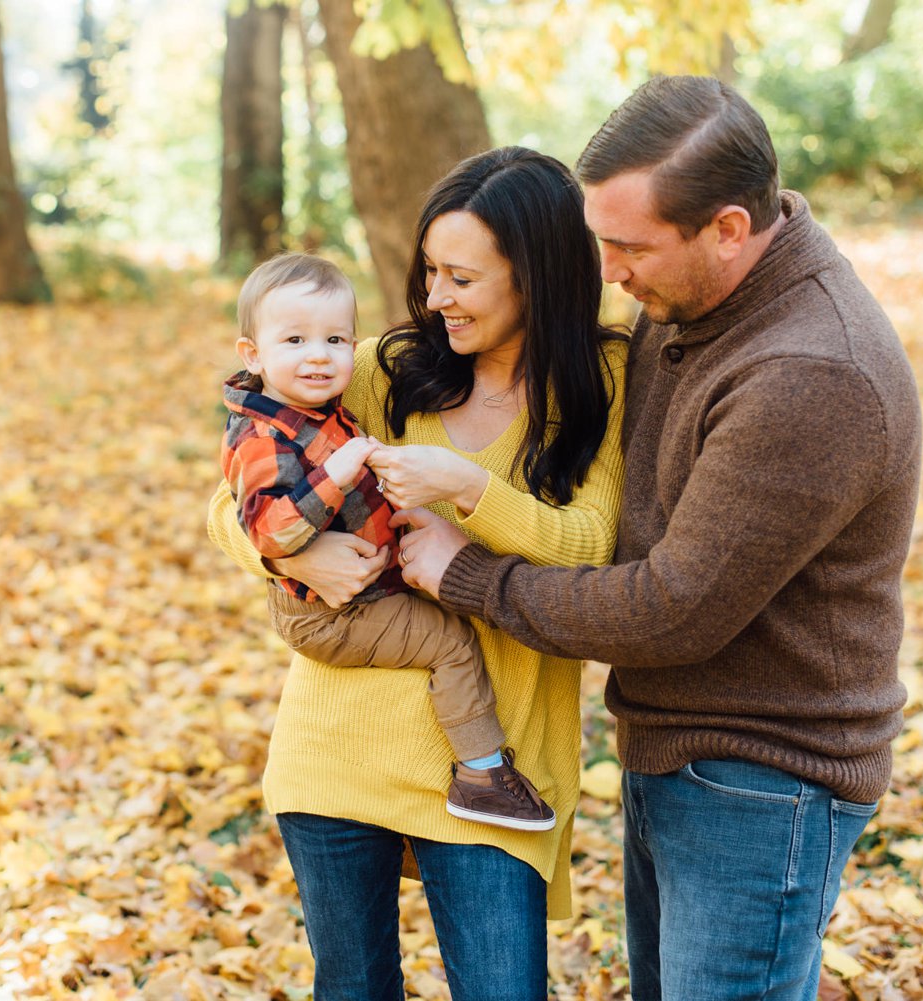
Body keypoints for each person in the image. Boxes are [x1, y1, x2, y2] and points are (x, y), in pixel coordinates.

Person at [397, 76, 923, 1001]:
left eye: (630, 247)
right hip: (680, 750)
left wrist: (467, 574)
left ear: (727, 227)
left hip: (765, 776)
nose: (608, 273)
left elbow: (671, 607)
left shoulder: (808, 372)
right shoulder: (701, 298)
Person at [207, 147, 629, 1000]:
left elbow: (597, 544)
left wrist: (473, 495)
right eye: (430, 271)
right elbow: (227, 498)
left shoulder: (603, 381)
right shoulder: (376, 365)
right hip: (337, 749)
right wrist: (292, 550)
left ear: (537, 278)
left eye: (462, 278)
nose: (435, 297)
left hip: (492, 778)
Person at [218, 251, 555, 832]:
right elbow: (265, 528)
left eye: (336, 339)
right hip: (327, 613)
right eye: (294, 340)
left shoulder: (317, 409)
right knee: (449, 641)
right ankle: (481, 774)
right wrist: (337, 484)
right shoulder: (264, 437)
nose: (319, 356)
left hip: (357, 594)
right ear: (253, 354)